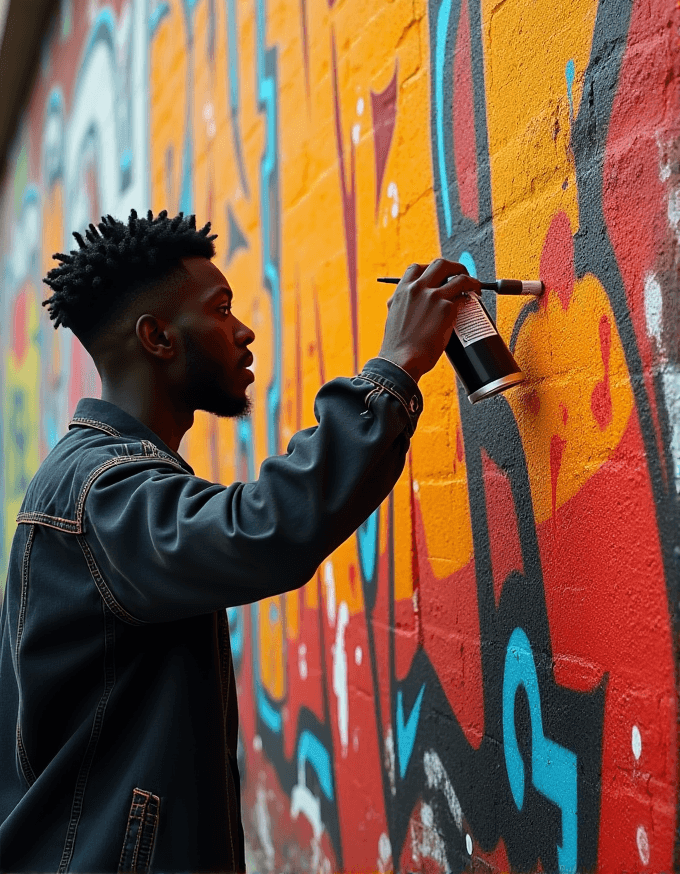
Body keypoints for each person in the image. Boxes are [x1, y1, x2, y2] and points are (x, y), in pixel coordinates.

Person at [0, 208, 479, 873]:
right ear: (158, 337)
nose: (245, 330)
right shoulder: (101, 492)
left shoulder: (97, 480)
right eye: (222, 309)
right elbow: (261, 531)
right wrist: (393, 370)